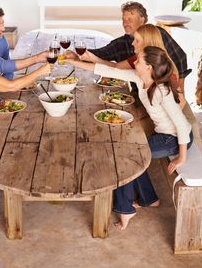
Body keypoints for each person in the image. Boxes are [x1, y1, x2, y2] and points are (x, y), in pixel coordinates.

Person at [65, 46, 193, 230]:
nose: (135, 61)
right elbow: (108, 70)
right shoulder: (139, 77)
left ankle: (126, 210)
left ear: (149, 67)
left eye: (139, 60)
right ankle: (149, 199)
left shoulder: (161, 91)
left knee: (126, 159)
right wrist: (73, 62)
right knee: (131, 155)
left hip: (175, 139)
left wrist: (182, 157)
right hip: (164, 134)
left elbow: (181, 125)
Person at [65, 1, 191, 90]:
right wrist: (77, 56)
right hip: (140, 92)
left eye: (130, 19)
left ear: (142, 20)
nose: (125, 23)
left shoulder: (157, 34)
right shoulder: (123, 43)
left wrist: (179, 89)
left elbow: (180, 58)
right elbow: (105, 57)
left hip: (164, 94)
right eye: (123, 19)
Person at [0, 3, 49, 106]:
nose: (3, 28)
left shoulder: (1, 39)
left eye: (2, 23)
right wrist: (37, 58)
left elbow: (8, 69)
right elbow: (2, 65)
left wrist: (2, 85)